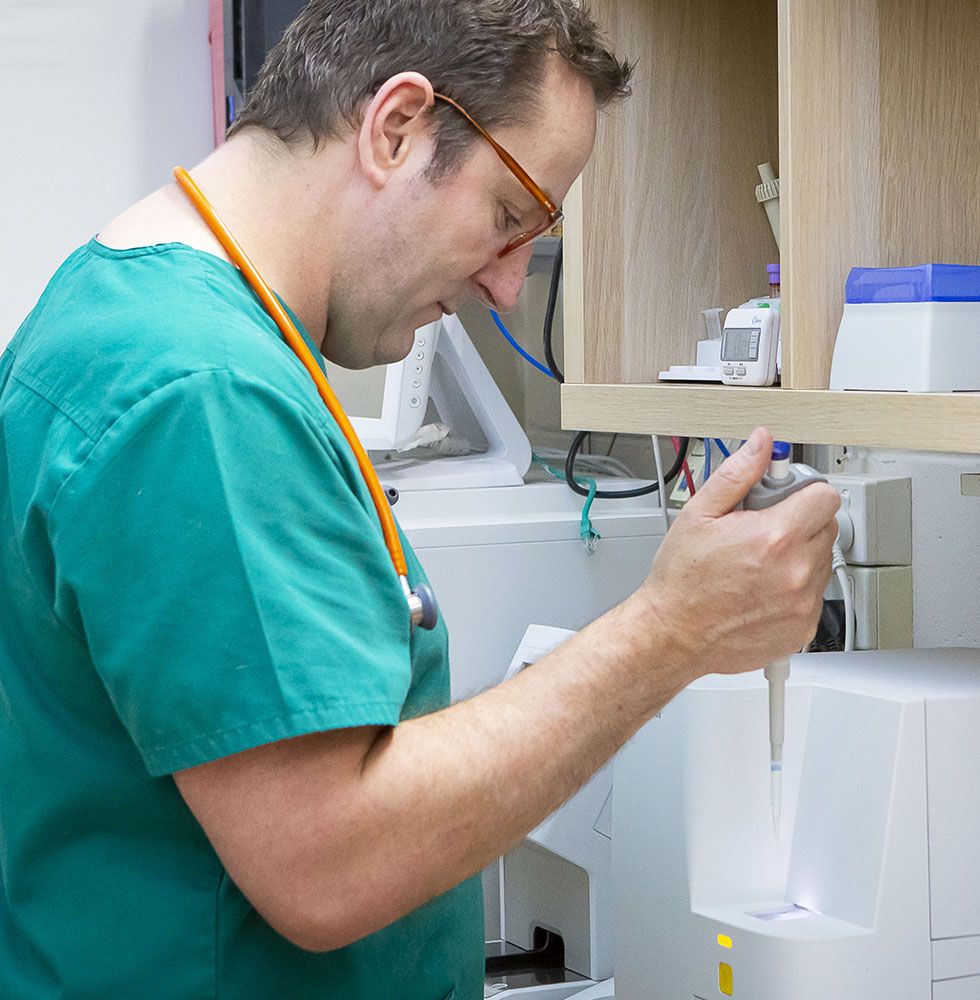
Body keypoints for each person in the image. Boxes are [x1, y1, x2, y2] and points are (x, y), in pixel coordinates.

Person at [0, 1, 840, 997]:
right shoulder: (202, 392)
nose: (507, 285)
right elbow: (327, 861)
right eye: (506, 218)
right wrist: (668, 632)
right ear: (395, 127)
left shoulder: (125, 310)